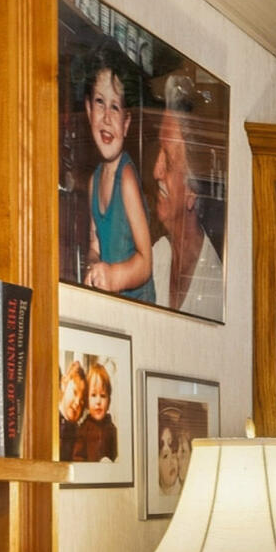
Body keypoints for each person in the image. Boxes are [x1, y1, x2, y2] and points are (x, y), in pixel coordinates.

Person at [78, 62, 156, 301]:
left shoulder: (127, 179)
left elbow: (145, 263)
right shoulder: (94, 181)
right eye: (100, 103)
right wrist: (94, 269)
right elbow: (95, 246)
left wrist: (113, 276)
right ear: (89, 110)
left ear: (126, 124)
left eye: (115, 107)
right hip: (113, 301)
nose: (107, 118)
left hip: (138, 307)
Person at [147, 80, 223, 317]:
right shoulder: (157, 255)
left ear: (193, 192)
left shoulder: (214, 289)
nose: (155, 171)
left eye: (168, 162)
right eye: (159, 151)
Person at [66, 359, 119, 466]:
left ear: (109, 401)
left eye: (103, 396)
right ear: (86, 400)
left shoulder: (112, 429)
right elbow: (77, 459)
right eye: (93, 395)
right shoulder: (82, 431)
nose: (98, 401)